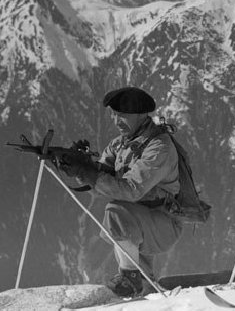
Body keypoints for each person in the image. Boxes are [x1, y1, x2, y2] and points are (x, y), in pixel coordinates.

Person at [59, 86, 183, 297]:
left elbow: (131, 190)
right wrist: (80, 165)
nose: (117, 121)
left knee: (116, 212)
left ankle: (130, 278)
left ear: (141, 116)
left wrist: (87, 172)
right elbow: (102, 175)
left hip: (163, 221)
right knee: (120, 212)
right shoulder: (120, 145)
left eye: (123, 116)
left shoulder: (159, 147)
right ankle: (143, 282)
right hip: (143, 217)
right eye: (114, 115)